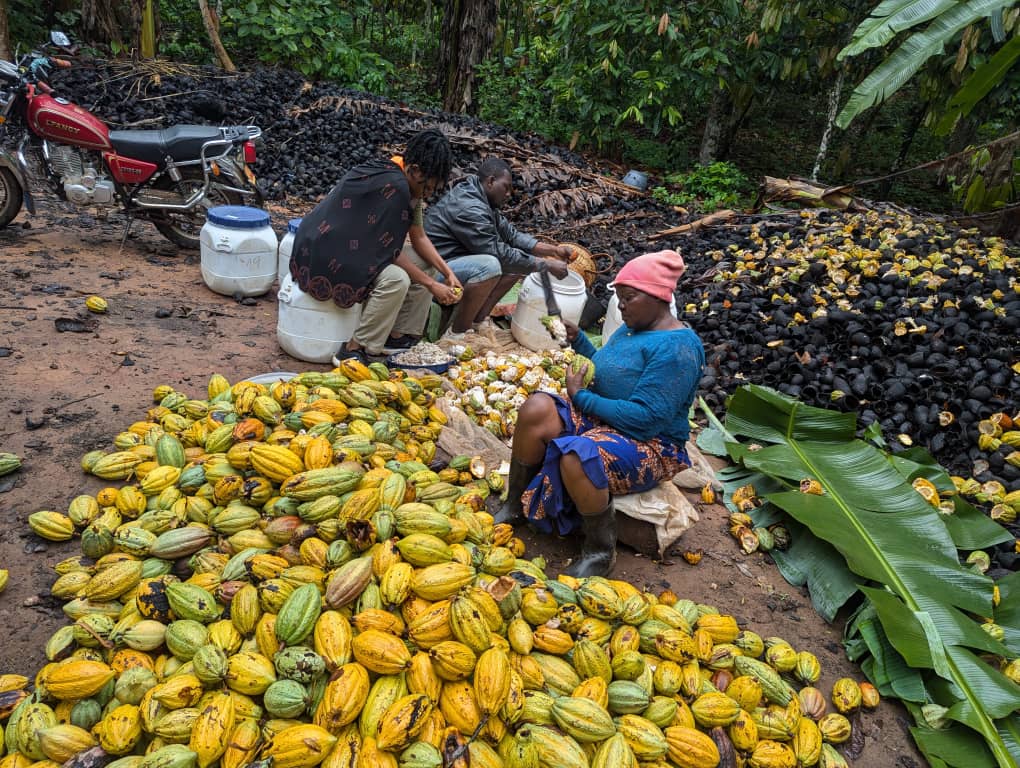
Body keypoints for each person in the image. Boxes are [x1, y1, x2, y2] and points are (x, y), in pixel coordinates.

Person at [494, 250, 704, 578]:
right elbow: (608, 370)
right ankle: (514, 504)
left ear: (659, 297)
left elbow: (646, 419)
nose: (621, 306)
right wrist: (579, 342)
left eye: (629, 298)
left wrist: (581, 397)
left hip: (651, 441)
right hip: (606, 418)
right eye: (619, 298)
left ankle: (598, 551)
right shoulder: (632, 329)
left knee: (579, 457)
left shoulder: (678, 349)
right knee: (537, 407)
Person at [288, 128, 463, 364]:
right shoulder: (395, 189)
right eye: (427, 187)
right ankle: (355, 348)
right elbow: (392, 253)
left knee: (425, 266)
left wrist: (447, 273)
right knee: (396, 280)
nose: (428, 194)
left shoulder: (409, 180)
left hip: (355, 245)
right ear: (415, 170)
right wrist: (432, 286)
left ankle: (397, 336)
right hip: (328, 249)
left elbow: (418, 236)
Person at [387, 157, 573, 346]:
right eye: (506, 187)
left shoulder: (482, 198)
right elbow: (496, 252)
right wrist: (546, 264)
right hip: (436, 270)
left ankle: (478, 321)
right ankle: (456, 334)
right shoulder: (470, 207)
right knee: (490, 266)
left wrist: (554, 250)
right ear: (491, 181)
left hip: (456, 262)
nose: (509, 194)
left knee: (517, 265)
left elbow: (512, 236)